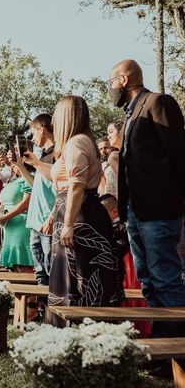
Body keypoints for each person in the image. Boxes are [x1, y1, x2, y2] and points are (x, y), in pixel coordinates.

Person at [108, 59, 185, 338]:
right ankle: (163, 350)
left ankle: (180, 352)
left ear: (125, 79)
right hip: (135, 214)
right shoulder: (130, 115)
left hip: (160, 212)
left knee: (166, 280)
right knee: (148, 284)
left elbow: (179, 154)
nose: (111, 88)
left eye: (111, 82)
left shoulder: (158, 103)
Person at [44, 95, 124, 327]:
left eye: (57, 116)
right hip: (75, 214)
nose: (55, 122)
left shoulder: (77, 143)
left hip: (80, 219)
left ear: (66, 117)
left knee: (81, 277)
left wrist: (68, 224)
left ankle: (78, 336)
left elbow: (77, 186)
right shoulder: (77, 142)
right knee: (74, 277)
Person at [100, 193, 150, 338]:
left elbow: (122, 245)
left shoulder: (122, 226)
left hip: (129, 261)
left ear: (114, 211)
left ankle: (137, 327)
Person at [22, 114, 56, 287]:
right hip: (35, 223)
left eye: (33, 133)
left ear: (42, 129)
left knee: (51, 273)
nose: (33, 139)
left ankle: (53, 312)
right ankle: (43, 312)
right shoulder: (42, 157)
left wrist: (52, 217)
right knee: (40, 275)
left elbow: (62, 189)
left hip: (47, 223)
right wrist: (21, 166)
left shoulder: (58, 155)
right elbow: (36, 185)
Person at [0, 164, 33, 272]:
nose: (13, 165)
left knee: (22, 264)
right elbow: (4, 202)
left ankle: (27, 288)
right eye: (12, 164)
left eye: (16, 163)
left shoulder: (28, 179)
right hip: (9, 228)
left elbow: (26, 203)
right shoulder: (12, 181)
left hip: (21, 225)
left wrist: (6, 217)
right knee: (14, 266)